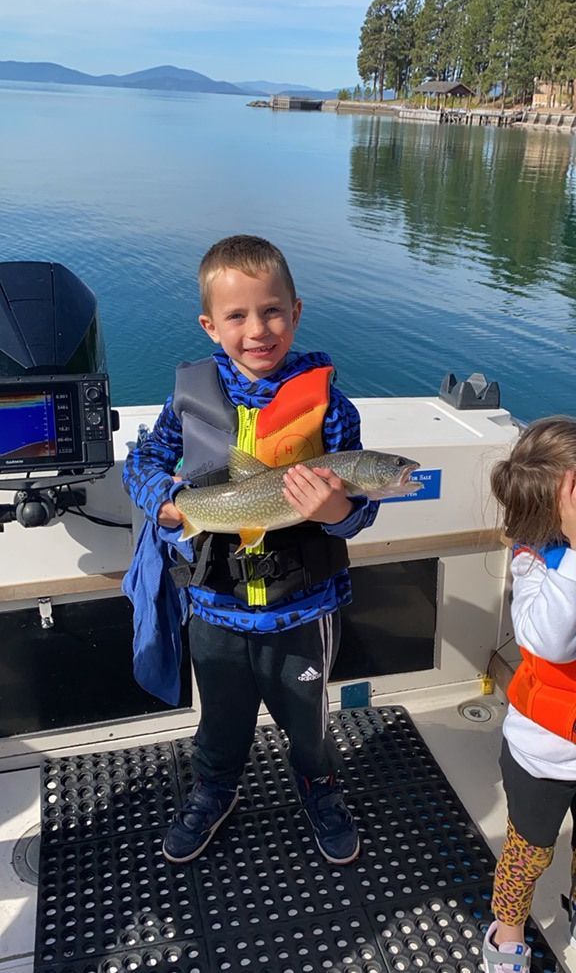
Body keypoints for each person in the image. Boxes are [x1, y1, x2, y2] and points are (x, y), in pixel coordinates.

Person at [122, 234, 380, 866]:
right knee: (221, 719)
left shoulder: (332, 412)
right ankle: (214, 788)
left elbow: (363, 508)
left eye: (271, 312)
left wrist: (337, 510)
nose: (257, 329)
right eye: (237, 316)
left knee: (310, 718)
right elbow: (145, 459)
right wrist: (164, 500)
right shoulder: (188, 400)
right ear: (211, 326)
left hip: (303, 608)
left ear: (295, 312)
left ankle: (318, 785)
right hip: (215, 607)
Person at [484, 416, 576, 973]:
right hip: (542, 759)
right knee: (527, 854)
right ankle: (507, 932)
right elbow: (553, 641)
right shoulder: (537, 567)